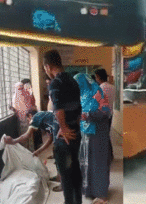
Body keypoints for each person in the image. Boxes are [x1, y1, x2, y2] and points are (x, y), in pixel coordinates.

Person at [43, 49, 83, 204]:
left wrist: (63, 127)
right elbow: (79, 108)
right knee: (76, 174)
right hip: (76, 133)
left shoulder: (55, 83)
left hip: (64, 138)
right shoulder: (73, 80)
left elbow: (58, 108)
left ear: (47, 66)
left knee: (66, 178)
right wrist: (73, 126)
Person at [74, 73, 111, 204]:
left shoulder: (97, 92)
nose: (77, 87)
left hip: (98, 133)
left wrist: (88, 115)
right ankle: (89, 190)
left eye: (78, 84)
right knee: (87, 161)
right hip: (86, 133)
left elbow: (106, 111)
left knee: (98, 162)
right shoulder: (82, 94)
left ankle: (101, 193)